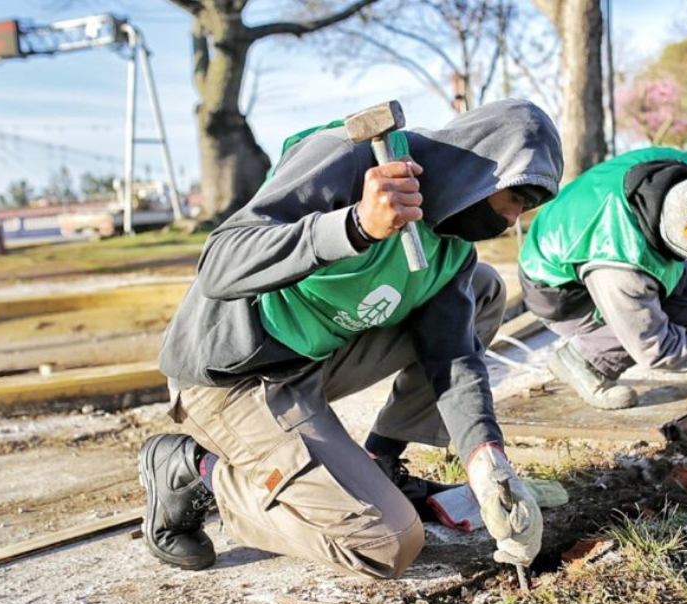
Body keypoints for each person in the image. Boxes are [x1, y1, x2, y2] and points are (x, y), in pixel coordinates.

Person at [138, 98, 563, 579]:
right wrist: (355, 225)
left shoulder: (452, 248)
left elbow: (454, 358)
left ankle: (380, 460)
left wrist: (487, 461)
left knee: (482, 290)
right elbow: (220, 263)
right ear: (484, 172)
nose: (512, 220)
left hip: (314, 360)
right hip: (236, 375)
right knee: (388, 544)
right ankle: (194, 468)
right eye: (516, 200)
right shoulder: (351, 158)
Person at [518, 146, 687, 411]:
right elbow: (655, 346)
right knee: (642, 318)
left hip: (592, 239)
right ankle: (585, 360)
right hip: (558, 291)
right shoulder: (619, 261)